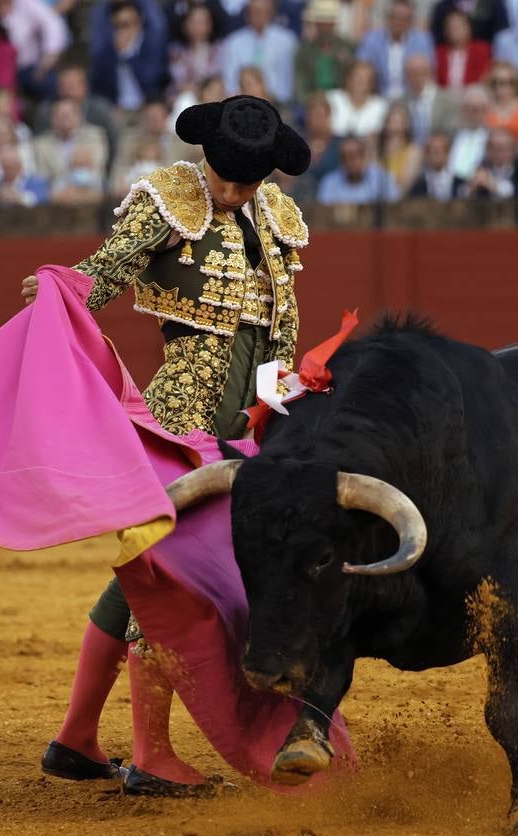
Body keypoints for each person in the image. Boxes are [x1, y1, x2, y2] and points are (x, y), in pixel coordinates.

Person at [19, 95, 311, 797]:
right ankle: (150, 755)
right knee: (168, 575)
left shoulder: (272, 217)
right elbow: (113, 265)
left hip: (244, 425)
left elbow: (279, 334)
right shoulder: (169, 197)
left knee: (142, 574)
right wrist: (64, 293)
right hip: (179, 417)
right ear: (205, 156)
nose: (234, 192)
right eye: (226, 177)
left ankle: (77, 738)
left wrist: (275, 411)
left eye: (249, 181)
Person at [90, 0, 170, 112]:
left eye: (128, 24)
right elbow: (99, 86)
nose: (124, 30)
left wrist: (128, 54)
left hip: (147, 108)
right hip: (117, 110)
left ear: (140, 22)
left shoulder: (151, 45)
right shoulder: (106, 52)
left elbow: (150, 82)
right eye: (118, 25)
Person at [219, 0, 299, 103]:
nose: (259, 15)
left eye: (263, 11)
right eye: (255, 11)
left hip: (278, 102)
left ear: (271, 13)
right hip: (242, 103)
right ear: (247, 13)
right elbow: (230, 78)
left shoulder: (287, 41)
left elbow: (289, 76)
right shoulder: (233, 42)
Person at [356, 0, 434, 99]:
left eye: (403, 19)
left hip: (412, 98)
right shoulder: (372, 39)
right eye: (395, 17)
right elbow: (362, 67)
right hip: (379, 96)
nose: (398, 22)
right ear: (388, 18)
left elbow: (429, 73)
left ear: (410, 21)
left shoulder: (423, 41)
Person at [294, 0, 357, 103]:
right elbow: (300, 84)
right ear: (316, 24)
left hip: (342, 101)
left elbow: (354, 79)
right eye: (321, 23)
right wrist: (309, 101)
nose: (325, 28)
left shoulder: (348, 47)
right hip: (312, 100)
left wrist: (346, 63)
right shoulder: (304, 51)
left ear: (334, 23)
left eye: (328, 23)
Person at [318, 133, 400, 201]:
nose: (348, 162)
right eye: (344, 157)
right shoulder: (329, 183)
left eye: (352, 156)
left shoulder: (381, 179)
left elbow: (394, 205)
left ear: (363, 156)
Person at [465, 127, 518, 198]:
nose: (499, 154)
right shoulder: (482, 166)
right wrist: (471, 188)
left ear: (513, 149)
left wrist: (494, 186)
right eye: (494, 149)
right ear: (487, 150)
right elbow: (464, 194)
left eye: (503, 149)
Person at [326, 58, 389, 138]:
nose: (360, 81)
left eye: (366, 78)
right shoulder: (332, 99)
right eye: (357, 76)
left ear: (372, 83)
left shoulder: (381, 107)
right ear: (348, 79)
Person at [435, 8, 491, 89]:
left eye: (457, 27)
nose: (453, 31)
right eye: (450, 27)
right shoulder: (439, 52)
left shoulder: (481, 49)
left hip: (473, 96)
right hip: (444, 96)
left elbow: (484, 77)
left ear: (468, 29)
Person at [408, 129, 465, 198]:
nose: (437, 156)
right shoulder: (418, 186)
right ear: (427, 154)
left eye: (442, 150)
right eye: (434, 151)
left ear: (448, 153)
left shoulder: (461, 185)